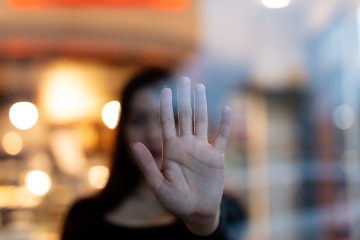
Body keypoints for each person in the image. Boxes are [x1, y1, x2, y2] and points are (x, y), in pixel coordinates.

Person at [61, 67, 246, 240]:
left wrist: (204, 222)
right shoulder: (83, 215)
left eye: (169, 118)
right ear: (122, 131)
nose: (153, 134)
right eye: (138, 120)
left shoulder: (227, 212)